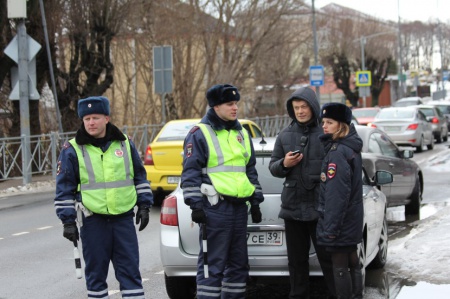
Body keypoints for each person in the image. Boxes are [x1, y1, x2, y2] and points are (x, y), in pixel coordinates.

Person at [54, 96, 153, 299]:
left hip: (123, 220)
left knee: (131, 275)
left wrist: (144, 205)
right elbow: (64, 189)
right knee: (96, 278)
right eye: (87, 118)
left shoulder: (125, 144)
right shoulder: (72, 150)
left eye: (96, 117)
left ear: (106, 118)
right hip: (93, 222)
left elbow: (140, 177)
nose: (91, 122)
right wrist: (68, 221)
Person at [181, 83, 264, 299]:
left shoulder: (241, 133)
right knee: (212, 265)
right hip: (215, 208)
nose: (235, 108)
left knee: (238, 265)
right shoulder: (200, 133)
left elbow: (249, 169)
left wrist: (255, 200)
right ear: (216, 107)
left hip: (238, 208)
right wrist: (196, 205)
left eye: (236, 103)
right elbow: (190, 172)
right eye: (229, 104)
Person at [268, 86, 335, 299]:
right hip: (293, 209)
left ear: (313, 107)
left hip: (320, 209)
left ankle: (337, 295)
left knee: (329, 259)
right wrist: (285, 163)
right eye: (296, 108)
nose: (300, 111)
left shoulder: (326, 133)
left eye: (304, 107)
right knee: (296, 262)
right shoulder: (285, 135)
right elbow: (273, 168)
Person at [317, 102, 364, 299]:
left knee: (340, 267)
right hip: (351, 220)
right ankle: (357, 295)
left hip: (341, 223)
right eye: (323, 122)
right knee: (353, 260)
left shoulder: (338, 152)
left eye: (329, 122)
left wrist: (331, 230)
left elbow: (336, 196)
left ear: (341, 125)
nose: (324, 126)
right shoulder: (350, 147)